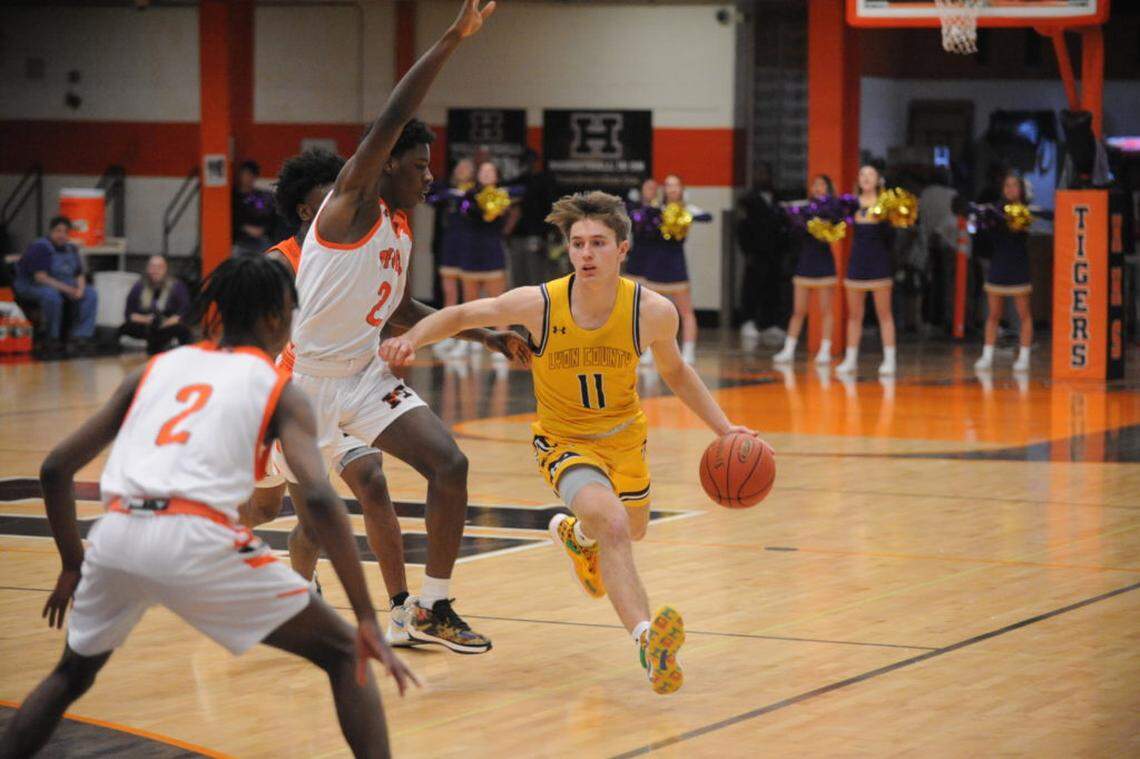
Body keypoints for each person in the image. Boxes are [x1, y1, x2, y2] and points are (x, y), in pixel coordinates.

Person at [0, 257, 417, 759]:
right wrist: (366, 615)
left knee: (70, 675)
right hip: (195, 537)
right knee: (347, 651)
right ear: (276, 318)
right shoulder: (278, 389)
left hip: (116, 534)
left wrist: (73, 563)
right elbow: (320, 499)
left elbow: (54, 469)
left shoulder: (154, 369)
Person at [379, 191, 760, 693]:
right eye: (578, 243)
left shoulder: (651, 311)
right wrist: (411, 339)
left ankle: (579, 539)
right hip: (564, 442)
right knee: (614, 523)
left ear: (622, 249)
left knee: (631, 530)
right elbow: (462, 314)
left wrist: (725, 429)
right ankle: (648, 643)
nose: (586, 253)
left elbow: (676, 372)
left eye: (598, 243)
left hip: (624, 439)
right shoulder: (540, 304)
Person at [287, 0, 528, 655]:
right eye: (419, 165)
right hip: (307, 386)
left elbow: (401, 310)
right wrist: (452, 38)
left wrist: (484, 337)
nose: (429, 175)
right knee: (308, 514)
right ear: (387, 163)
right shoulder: (349, 205)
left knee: (449, 464)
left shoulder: (396, 229)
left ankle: (431, 606)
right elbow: (393, 115)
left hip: (363, 376)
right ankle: (286, 596)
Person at [241, 148, 420, 647]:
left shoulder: (362, 247)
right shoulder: (279, 264)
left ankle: (401, 609)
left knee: (373, 483)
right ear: (305, 210)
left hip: (348, 387)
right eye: (331, 195)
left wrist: (475, 332)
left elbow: (397, 308)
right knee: (269, 512)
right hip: (287, 399)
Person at [636, 174, 711, 365]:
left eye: (676, 185)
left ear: (682, 188)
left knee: (686, 311)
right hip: (655, 264)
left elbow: (708, 217)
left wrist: (688, 215)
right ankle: (649, 351)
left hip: (676, 264)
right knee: (650, 311)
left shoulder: (687, 209)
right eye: (668, 185)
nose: (672, 189)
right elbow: (638, 219)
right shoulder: (656, 209)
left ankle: (688, 351)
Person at [835, 165, 897, 376]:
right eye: (862, 174)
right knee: (854, 316)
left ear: (879, 180)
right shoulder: (851, 205)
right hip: (857, 265)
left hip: (879, 265)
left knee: (884, 314)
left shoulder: (886, 205)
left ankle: (890, 359)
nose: (866, 177)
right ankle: (850, 359)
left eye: (870, 174)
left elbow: (891, 239)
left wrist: (884, 221)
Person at [772, 175, 837, 364]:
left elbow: (831, 233)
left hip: (824, 264)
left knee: (826, 310)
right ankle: (788, 349)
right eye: (815, 184)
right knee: (798, 310)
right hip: (805, 263)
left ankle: (825, 349)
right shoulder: (805, 209)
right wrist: (795, 218)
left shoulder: (833, 209)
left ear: (828, 188)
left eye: (822, 185)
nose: (818, 188)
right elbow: (794, 231)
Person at [13, 216, 98, 357]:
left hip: (61, 284)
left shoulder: (71, 248)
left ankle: (82, 336)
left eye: (66, 232)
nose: (62, 235)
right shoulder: (40, 247)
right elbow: (41, 277)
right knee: (52, 296)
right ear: (51, 231)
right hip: (33, 285)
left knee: (90, 294)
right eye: (58, 231)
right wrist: (69, 290)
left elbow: (79, 273)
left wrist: (80, 290)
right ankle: (52, 337)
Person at [974, 172, 1033, 371]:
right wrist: (984, 218)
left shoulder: (1025, 211)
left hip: (1018, 265)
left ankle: (1024, 356)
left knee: (1024, 313)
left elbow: (1020, 230)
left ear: (1021, 189)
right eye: (1007, 185)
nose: (1010, 189)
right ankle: (987, 356)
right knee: (993, 314)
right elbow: (983, 229)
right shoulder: (994, 211)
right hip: (998, 265)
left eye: (1014, 185)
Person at [457, 160, 513, 361]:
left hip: (492, 249)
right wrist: (477, 206)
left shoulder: (503, 196)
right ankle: (471, 342)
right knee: (470, 301)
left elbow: (499, 219)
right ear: (478, 174)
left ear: (497, 176)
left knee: (499, 301)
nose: (487, 174)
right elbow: (466, 211)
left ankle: (503, 341)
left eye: (491, 171)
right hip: (471, 249)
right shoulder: (468, 194)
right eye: (483, 170)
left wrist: (494, 207)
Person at [427, 158, 475, 359]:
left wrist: (466, 197)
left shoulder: (476, 193)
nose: (462, 170)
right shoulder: (445, 190)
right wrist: (449, 194)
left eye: (467, 167)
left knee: (469, 296)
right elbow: (430, 198)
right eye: (460, 167)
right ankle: (448, 334)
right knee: (450, 294)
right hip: (449, 244)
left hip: (469, 245)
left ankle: (469, 337)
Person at [504, 148, 559, 288]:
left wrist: (552, 231)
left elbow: (553, 208)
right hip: (518, 236)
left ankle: (536, 303)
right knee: (520, 278)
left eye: (531, 162)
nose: (529, 165)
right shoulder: (518, 182)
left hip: (535, 235)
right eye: (526, 162)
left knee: (535, 279)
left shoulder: (545, 181)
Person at [120, 255, 192, 355]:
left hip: (167, 325)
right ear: (147, 268)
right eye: (152, 267)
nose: (155, 270)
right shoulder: (139, 286)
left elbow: (185, 310)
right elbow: (129, 314)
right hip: (145, 325)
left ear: (165, 269)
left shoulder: (177, 286)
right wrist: (145, 319)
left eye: (159, 267)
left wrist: (170, 321)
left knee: (183, 331)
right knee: (123, 329)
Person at [232, 160, 277, 256]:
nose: (247, 178)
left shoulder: (259, 197)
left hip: (260, 239)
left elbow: (265, 214)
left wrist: (262, 229)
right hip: (239, 240)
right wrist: (245, 228)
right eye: (245, 174)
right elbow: (232, 219)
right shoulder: (233, 197)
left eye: (250, 175)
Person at [624, 176, 659, 284]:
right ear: (641, 190)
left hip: (656, 254)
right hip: (638, 252)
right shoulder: (632, 208)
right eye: (649, 187)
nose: (652, 191)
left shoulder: (661, 210)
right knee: (633, 287)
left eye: (654, 188)